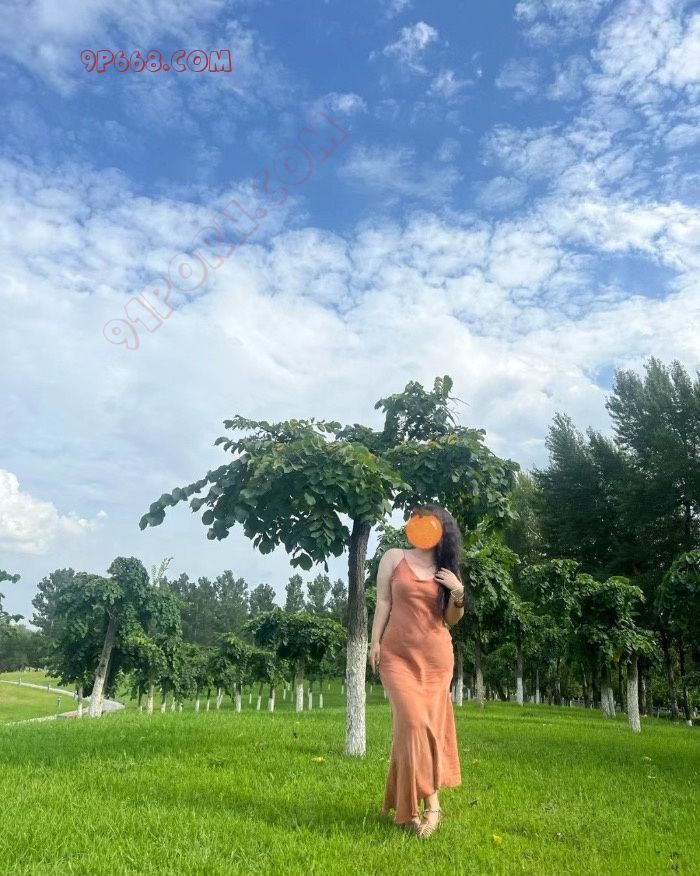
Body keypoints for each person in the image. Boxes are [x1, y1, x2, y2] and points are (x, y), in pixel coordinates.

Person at [368, 503, 466, 838]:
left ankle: (410, 809)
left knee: (419, 729)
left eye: (427, 519)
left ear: (441, 528)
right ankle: (432, 804)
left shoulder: (445, 571)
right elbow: (383, 602)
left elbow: (450, 619)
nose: (419, 523)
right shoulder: (393, 557)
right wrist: (374, 642)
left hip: (436, 661)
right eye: (416, 518)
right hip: (397, 657)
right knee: (412, 723)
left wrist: (458, 592)